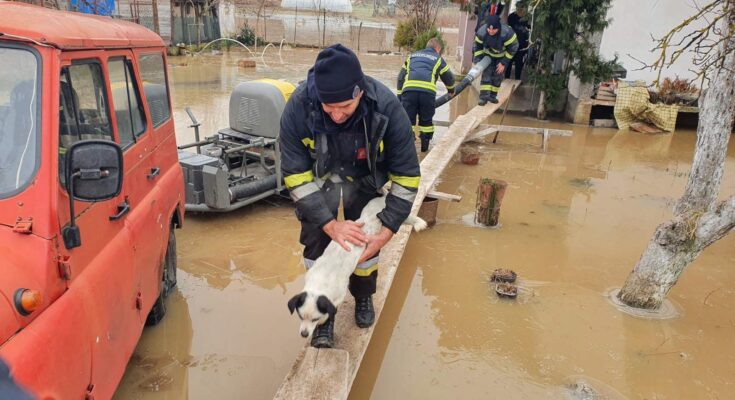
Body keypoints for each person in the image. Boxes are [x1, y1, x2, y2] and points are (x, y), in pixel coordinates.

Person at [279, 44, 421, 348]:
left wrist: (387, 231)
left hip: (365, 178)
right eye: (328, 107)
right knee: (316, 243)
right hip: (319, 182)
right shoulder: (299, 107)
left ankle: (363, 296)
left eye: (344, 106)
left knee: (365, 243)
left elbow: (407, 177)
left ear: (360, 92)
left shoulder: (387, 108)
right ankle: (321, 317)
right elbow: (295, 175)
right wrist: (330, 225)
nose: (336, 114)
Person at [397, 37, 455, 153]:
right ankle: (424, 150)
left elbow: (401, 77)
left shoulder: (412, 56)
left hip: (409, 91)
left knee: (408, 120)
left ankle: (408, 150)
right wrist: (451, 90)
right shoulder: (438, 58)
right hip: (427, 93)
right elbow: (448, 76)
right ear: (437, 49)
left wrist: (399, 95)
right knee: (426, 121)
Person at [472, 14, 518, 105]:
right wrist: (479, 61)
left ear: (498, 28)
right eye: (489, 29)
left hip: (501, 58)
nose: (491, 31)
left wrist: (504, 63)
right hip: (487, 56)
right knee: (486, 75)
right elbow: (477, 47)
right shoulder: (482, 32)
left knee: (498, 76)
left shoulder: (507, 33)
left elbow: (514, 47)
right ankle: (483, 98)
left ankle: (492, 96)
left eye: (494, 29)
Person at [505, 1, 531, 80]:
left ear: (525, 9)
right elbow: (508, 29)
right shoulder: (511, 17)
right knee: (509, 62)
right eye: (518, 8)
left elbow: (530, 30)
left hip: (522, 45)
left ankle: (517, 80)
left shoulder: (528, 18)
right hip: (511, 44)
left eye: (521, 8)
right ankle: (506, 78)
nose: (519, 10)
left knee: (519, 64)